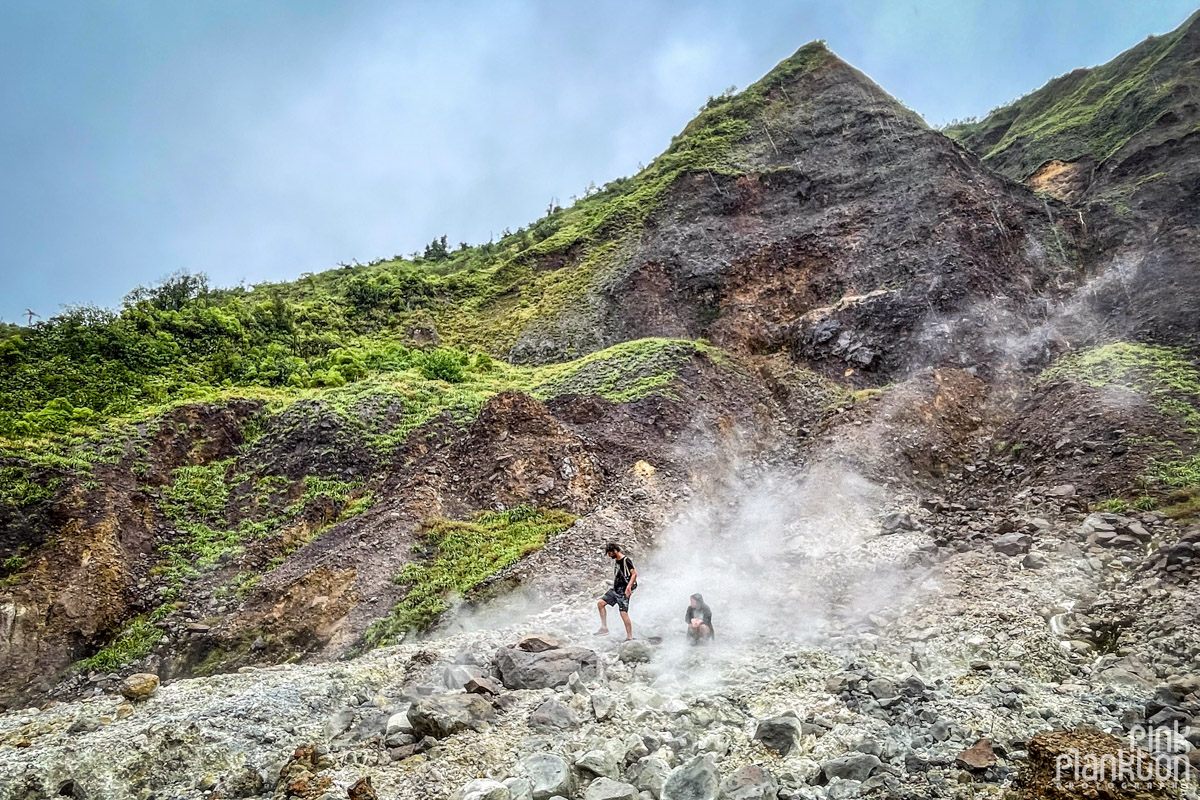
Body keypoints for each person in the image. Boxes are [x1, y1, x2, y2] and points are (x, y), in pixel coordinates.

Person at [595, 542, 637, 640]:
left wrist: (628, 587)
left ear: (614, 551)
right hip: (616, 589)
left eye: (609, 553)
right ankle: (604, 628)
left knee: (623, 612)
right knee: (601, 603)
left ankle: (629, 637)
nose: (609, 556)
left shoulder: (626, 560)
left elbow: (634, 574)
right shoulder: (617, 560)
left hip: (623, 590)